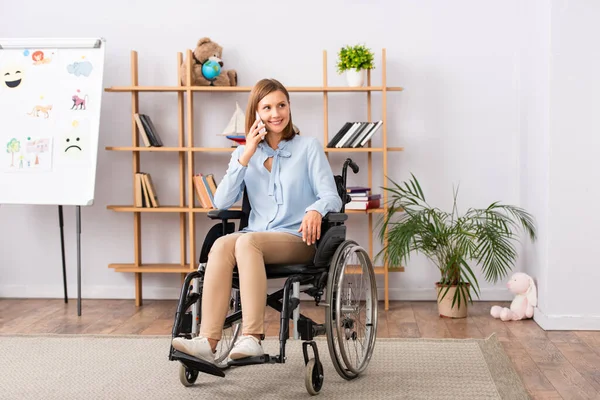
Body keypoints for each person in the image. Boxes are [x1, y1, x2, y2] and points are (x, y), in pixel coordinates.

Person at [171, 78, 342, 363]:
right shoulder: (243, 153)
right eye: (267, 107)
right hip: (254, 239)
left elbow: (331, 195)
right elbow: (220, 203)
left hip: (298, 238)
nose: (276, 113)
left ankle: (252, 337)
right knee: (223, 244)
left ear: (289, 107)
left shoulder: (308, 147)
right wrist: (246, 153)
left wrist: (315, 209)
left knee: (246, 241)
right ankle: (208, 339)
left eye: (281, 105)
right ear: (256, 114)